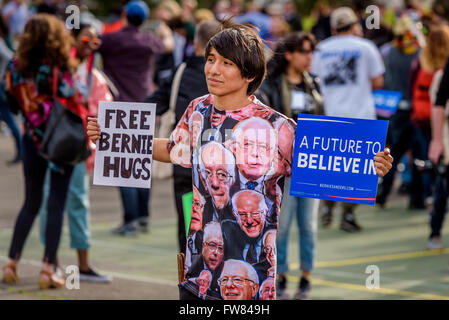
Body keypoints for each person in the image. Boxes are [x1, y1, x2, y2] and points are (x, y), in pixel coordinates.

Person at [87, 22, 393, 299]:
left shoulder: (279, 127)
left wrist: (371, 164)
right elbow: (173, 148)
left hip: (253, 279)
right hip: (198, 272)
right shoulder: (197, 110)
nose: (213, 70)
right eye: (210, 59)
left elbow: (329, 168)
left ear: (249, 74)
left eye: (226, 63)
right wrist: (113, 137)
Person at [2, 14, 78, 289]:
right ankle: (48, 269)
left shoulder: (14, 67)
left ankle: (11, 263)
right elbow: (71, 100)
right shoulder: (58, 67)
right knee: (56, 203)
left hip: (30, 142)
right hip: (59, 142)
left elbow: (10, 103)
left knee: (31, 202)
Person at [37, 23, 113, 283]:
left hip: (78, 147)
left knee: (78, 201)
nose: (90, 46)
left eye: (95, 43)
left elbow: (106, 111)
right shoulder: (58, 68)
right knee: (50, 201)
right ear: (71, 38)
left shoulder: (94, 75)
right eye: (85, 39)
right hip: (55, 143)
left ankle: (83, 264)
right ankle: (52, 262)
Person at [98, 0, 174, 236]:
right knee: (141, 163)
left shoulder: (112, 40)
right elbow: (169, 46)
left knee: (122, 167)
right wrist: (165, 29)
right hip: (145, 105)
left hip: (118, 107)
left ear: (124, 15)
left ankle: (130, 219)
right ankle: (143, 217)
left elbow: (90, 44)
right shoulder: (148, 40)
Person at [257, 31, 323, 300]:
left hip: (311, 167)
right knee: (281, 226)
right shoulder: (272, 85)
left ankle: (306, 278)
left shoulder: (313, 84)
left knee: (308, 225)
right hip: (284, 169)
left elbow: (325, 122)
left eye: (311, 52)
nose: (309, 57)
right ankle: (281, 275)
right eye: (304, 51)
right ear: (290, 54)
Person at [147, 19, 220, 253]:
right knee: (218, 231)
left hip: (185, 168)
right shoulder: (231, 80)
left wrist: (113, 123)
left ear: (195, 42)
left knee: (189, 230)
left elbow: (150, 106)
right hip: (219, 171)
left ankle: (190, 281)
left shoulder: (180, 72)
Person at [311, 6, 385, 232]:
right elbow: (378, 83)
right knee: (358, 170)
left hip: (330, 114)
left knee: (330, 167)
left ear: (333, 28)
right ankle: (348, 215)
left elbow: (314, 80)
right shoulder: (366, 47)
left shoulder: (320, 49)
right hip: (360, 114)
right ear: (354, 25)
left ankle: (326, 208)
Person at [375, 14, 422, 209]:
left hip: (393, 109)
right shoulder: (420, 53)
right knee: (417, 154)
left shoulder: (388, 52)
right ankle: (416, 198)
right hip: (414, 109)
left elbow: (383, 80)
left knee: (392, 153)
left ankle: (384, 195)